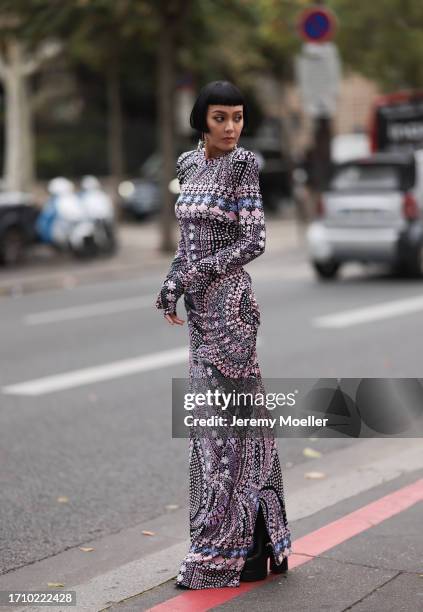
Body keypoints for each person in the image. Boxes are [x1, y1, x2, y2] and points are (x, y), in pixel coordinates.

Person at [155, 80, 292, 589]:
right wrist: (172, 283)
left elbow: (253, 240)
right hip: (200, 313)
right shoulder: (188, 166)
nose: (231, 127)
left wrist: (192, 277)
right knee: (215, 434)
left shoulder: (243, 166)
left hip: (231, 310)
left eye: (237, 117)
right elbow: (187, 242)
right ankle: (255, 549)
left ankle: (230, 556)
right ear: (201, 120)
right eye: (220, 118)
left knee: (229, 434)